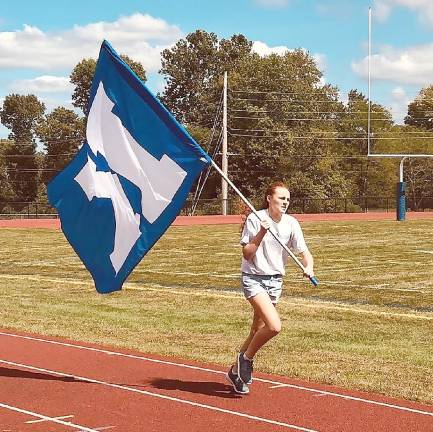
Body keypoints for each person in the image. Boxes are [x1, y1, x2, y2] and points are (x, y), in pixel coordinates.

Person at [226, 182, 315, 395]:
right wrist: (262, 231)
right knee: (274, 326)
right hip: (254, 279)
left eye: (287, 199)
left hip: (275, 281)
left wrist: (309, 267)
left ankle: (234, 372)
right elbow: (247, 253)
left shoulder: (291, 223)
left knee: (257, 330)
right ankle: (246, 359)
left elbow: (305, 252)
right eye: (281, 198)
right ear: (269, 198)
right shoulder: (255, 219)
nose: (285, 202)